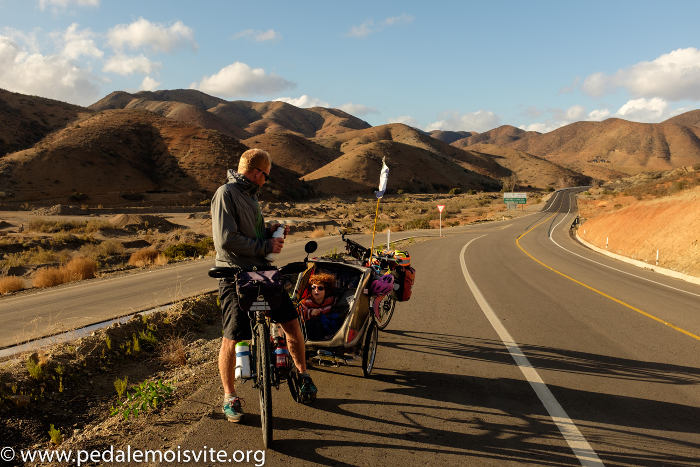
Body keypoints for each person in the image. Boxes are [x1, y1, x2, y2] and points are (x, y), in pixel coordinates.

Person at [211, 148, 317, 423]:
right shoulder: (226, 193)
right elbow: (226, 239)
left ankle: (303, 374)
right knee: (232, 336)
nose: (265, 181)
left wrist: (268, 230)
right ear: (257, 172)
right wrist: (266, 245)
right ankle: (229, 396)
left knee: (291, 322)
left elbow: (248, 232)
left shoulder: (250, 197)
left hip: (261, 271)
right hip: (234, 274)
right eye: (265, 176)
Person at [299, 273, 341, 340]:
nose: (316, 290)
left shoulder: (331, 300)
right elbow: (298, 314)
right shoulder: (306, 301)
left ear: (326, 290)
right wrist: (310, 312)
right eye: (313, 287)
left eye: (320, 288)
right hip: (312, 330)